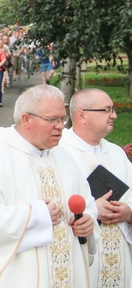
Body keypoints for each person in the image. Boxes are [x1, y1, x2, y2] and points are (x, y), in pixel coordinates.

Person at [0, 85, 98, 288]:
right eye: (52, 120)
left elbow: (86, 202)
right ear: (26, 119)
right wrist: (35, 215)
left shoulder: (64, 158)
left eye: (62, 119)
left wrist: (88, 221)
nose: (60, 126)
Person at [59, 88, 132, 287]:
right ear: (82, 115)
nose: (114, 115)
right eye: (107, 110)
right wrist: (91, 210)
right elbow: (51, 198)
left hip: (119, 256)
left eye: (114, 109)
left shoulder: (116, 153)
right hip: (80, 252)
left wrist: (128, 212)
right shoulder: (58, 152)